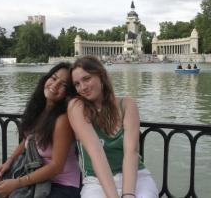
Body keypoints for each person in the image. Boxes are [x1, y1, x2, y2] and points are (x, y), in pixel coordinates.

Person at [67, 56, 158, 198]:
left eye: (87, 79)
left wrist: (128, 195)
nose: (82, 88)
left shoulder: (127, 104)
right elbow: (96, 152)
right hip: (96, 181)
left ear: (101, 76)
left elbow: (131, 152)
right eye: (77, 84)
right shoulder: (77, 107)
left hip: (136, 177)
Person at [0, 62, 81, 198]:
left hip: (62, 185)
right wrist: (9, 161)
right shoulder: (39, 110)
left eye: (63, 85)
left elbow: (57, 167)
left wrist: (17, 183)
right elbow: (28, 139)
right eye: (54, 78)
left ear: (68, 93)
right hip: (38, 179)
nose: (55, 85)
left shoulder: (62, 120)